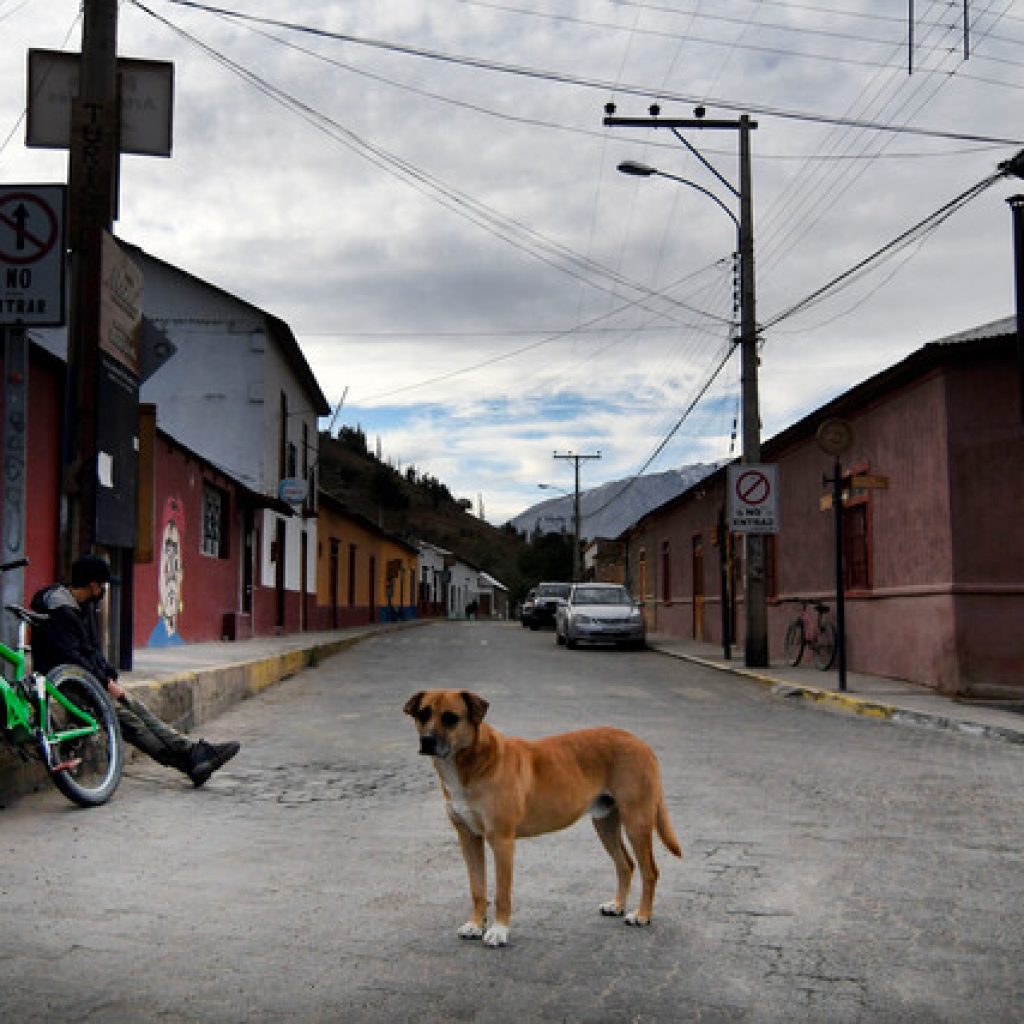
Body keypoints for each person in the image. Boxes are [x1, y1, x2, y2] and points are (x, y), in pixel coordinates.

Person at [31, 554, 240, 788]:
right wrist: (105, 682)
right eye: (103, 585)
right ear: (93, 585)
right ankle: (191, 758)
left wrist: (107, 674)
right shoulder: (59, 611)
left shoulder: (82, 606)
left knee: (136, 706)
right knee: (130, 722)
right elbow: (69, 658)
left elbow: (91, 651)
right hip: (64, 684)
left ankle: (193, 756)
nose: (104, 590)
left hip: (86, 679)